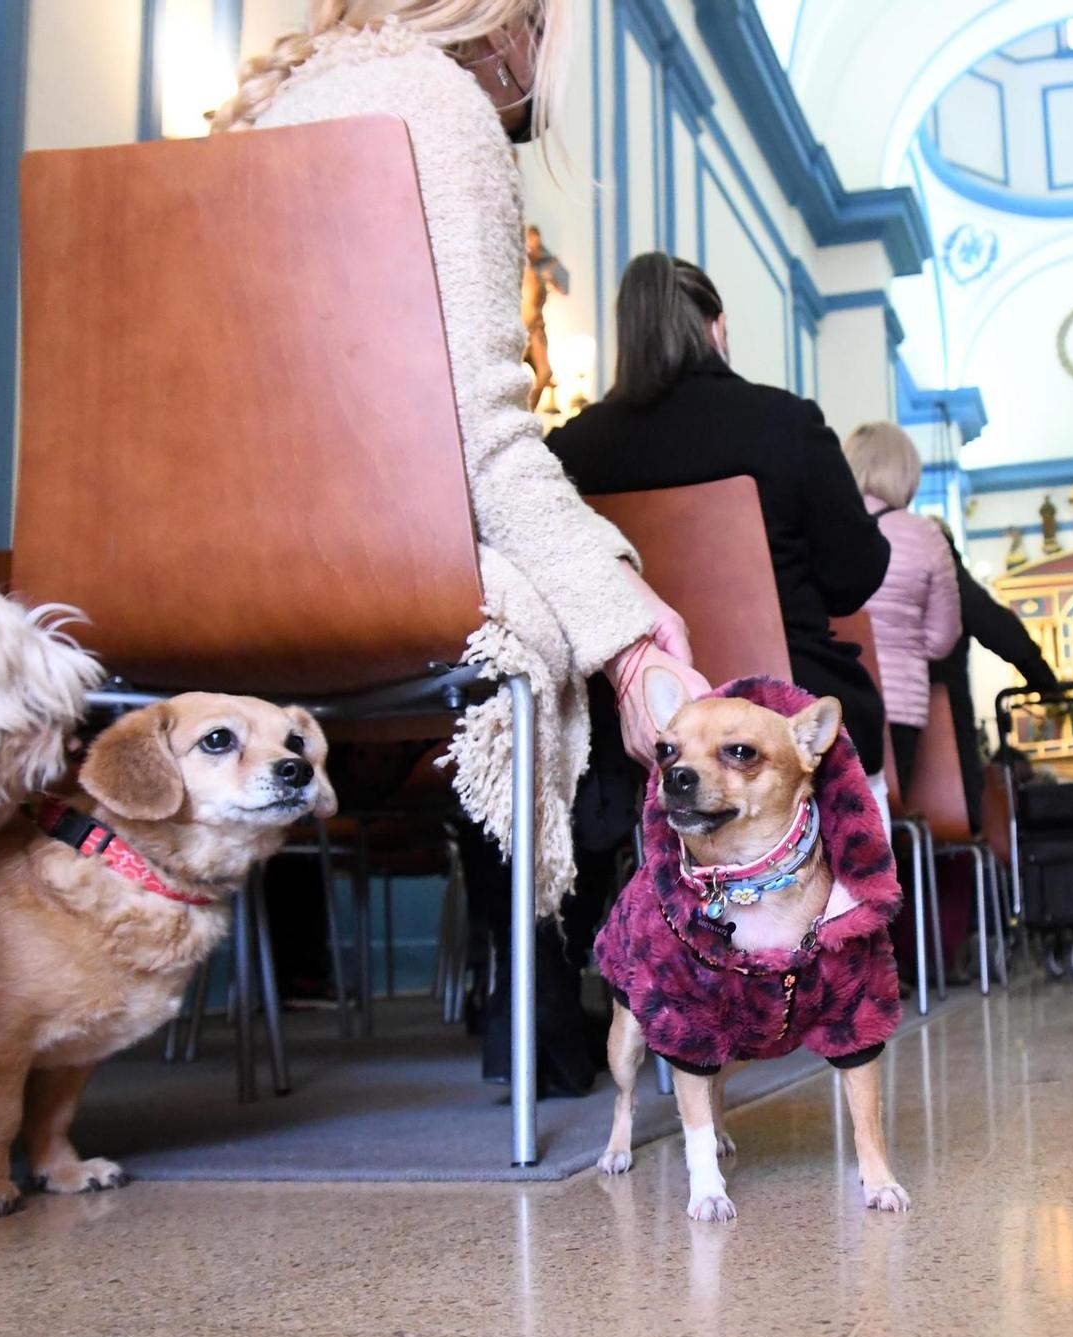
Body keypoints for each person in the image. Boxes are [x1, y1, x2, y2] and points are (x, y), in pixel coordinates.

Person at [212, 2, 711, 1096]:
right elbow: (480, 441)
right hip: (363, 569)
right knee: (553, 633)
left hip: (194, 581)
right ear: (509, 19)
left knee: (550, 610)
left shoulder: (262, 115)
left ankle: (530, 1001)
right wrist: (632, 637)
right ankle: (551, 1000)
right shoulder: (436, 108)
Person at [548, 253, 893, 780]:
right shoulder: (786, 423)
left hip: (629, 733)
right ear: (718, 328)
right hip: (783, 716)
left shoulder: (571, 449)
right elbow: (854, 576)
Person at [842, 422, 961, 783]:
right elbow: (942, 639)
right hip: (902, 708)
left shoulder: (829, 528)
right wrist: (904, 644)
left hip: (837, 699)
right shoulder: (926, 536)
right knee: (889, 813)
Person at [929, 522, 1058, 832]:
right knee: (960, 820)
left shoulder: (875, 554)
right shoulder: (942, 565)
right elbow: (999, 629)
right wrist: (1045, 683)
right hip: (943, 721)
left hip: (883, 724)